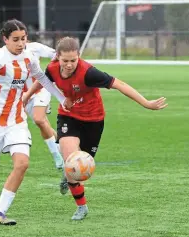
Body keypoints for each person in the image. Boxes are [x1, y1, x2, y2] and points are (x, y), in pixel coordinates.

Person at [23, 37, 168, 220]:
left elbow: (120, 84)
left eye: (73, 60)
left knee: (81, 170)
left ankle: (68, 176)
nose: (68, 65)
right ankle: (82, 207)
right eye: (65, 60)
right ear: (57, 57)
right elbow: (43, 80)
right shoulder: (52, 68)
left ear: (79, 57)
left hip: (93, 120)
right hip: (69, 117)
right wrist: (27, 95)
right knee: (72, 162)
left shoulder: (89, 73)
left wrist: (146, 103)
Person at [0, 19, 70, 225]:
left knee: (22, 163)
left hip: (16, 120)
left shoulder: (29, 57)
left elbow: (43, 79)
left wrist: (62, 98)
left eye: (24, 39)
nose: (21, 43)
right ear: (5, 39)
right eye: (16, 40)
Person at [24, 42, 64, 170]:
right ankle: (67, 149)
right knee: (44, 124)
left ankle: (56, 155)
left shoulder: (34, 47)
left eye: (22, 38)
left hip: (41, 89)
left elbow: (55, 54)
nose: (20, 42)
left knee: (39, 119)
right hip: (24, 96)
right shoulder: (5, 55)